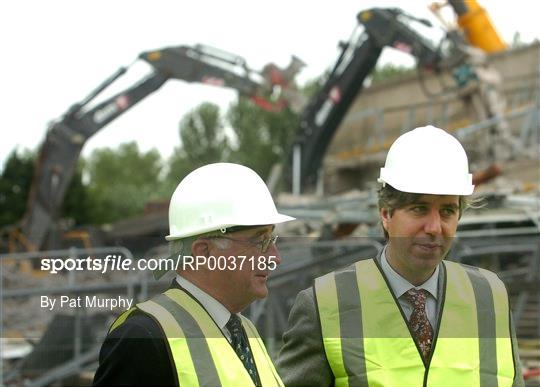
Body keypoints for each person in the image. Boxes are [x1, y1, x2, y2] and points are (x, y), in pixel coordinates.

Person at [277, 126, 524, 386]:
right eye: (419, 208)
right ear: (386, 213)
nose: (434, 227)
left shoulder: (490, 297)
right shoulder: (324, 305)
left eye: (448, 211)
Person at [93, 163, 294, 386]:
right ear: (204, 252)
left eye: (272, 239)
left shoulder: (245, 330)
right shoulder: (143, 337)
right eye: (259, 241)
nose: (275, 257)